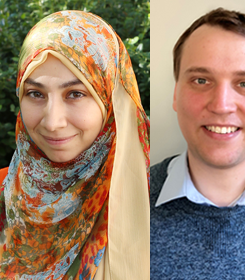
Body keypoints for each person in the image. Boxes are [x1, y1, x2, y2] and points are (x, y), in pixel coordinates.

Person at [150, 8, 245, 279]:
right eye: (201, 80)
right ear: (176, 93)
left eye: (244, 83)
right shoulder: (126, 202)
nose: (221, 105)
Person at [0, 11, 150, 279]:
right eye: (35, 94)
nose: (53, 122)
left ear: (110, 100)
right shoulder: (2, 192)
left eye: (76, 94)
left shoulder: (155, 202)